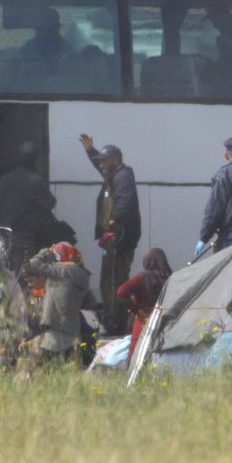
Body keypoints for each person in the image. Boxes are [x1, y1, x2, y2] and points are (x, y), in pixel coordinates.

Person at [79, 134, 141, 335]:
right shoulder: (114, 174)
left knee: (112, 281)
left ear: (116, 160)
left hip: (118, 239)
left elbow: (126, 200)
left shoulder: (123, 177)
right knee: (112, 280)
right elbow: (101, 167)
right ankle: (116, 319)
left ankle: (114, 322)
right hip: (112, 240)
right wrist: (91, 152)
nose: (101, 164)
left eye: (105, 160)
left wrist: (114, 219)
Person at [0, 141, 58, 273]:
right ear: (35, 161)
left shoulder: (2, 181)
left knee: (5, 282)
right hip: (23, 240)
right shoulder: (34, 181)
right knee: (24, 282)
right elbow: (50, 203)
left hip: (0, 239)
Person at [25, 242, 90, 363]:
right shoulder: (77, 273)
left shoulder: (64, 270)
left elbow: (32, 264)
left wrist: (44, 253)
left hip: (56, 334)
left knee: (42, 371)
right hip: (71, 330)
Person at [116, 248, 172, 361]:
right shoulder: (171, 278)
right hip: (165, 326)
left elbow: (121, 292)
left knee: (136, 359)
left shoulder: (142, 277)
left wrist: (137, 310)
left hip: (143, 325)